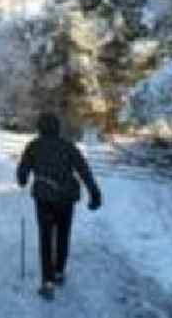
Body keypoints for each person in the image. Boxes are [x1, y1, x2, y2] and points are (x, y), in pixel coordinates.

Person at [16, 112, 102, 300]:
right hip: (66, 198)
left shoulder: (33, 146)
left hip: (44, 198)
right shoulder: (67, 146)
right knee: (63, 234)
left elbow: (22, 172)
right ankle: (59, 272)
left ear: (40, 127)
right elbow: (83, 169)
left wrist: (22, 178)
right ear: (57, 127)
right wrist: (94, 192)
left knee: (46, 238)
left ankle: (47, 282)